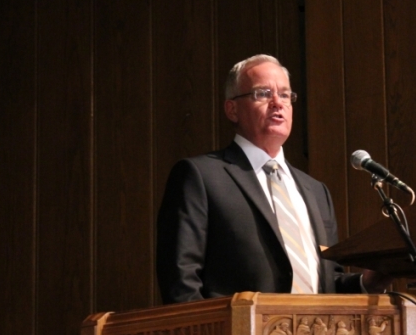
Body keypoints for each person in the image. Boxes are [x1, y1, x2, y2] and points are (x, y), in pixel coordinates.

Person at [157, 54, 390, 303]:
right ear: (232, 109)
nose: (277, 103)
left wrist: (367, 283)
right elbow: (181, 281)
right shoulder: (201, 176)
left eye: (285, 95)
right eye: (263, 93)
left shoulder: (316, 191)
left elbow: (326, 284)